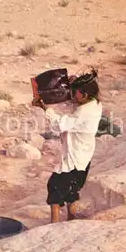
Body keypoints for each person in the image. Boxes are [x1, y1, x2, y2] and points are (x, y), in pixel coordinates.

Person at [32, 68, 102, 223]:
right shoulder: (95, 104)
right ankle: (71, 220)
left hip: (74, 158)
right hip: (84, 155)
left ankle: (54, 225)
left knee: (54, 188)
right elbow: (72, 108)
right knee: (72, 189)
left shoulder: (83, 112)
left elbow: (60, 125)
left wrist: (44, 108)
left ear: (84, 95)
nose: (72, 95)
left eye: (75, 92)